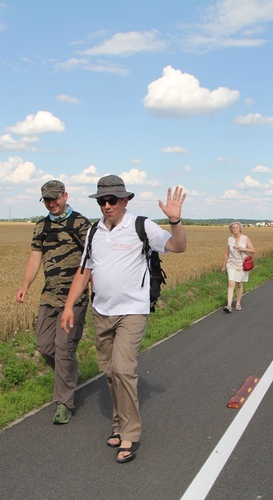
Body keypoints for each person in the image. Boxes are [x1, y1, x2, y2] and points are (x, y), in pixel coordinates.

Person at [60, 175, 187, 464]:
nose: (107, 205)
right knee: (109, 372)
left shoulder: (141, 225)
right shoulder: (94, 232)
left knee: (123, 369)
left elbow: (178, 247)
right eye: (102, 201)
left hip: (132, 311)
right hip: (101, 311)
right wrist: (69, 307)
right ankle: (118, 422)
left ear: (125, 200)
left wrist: (176, 222)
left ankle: (129, 433)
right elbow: (84, 271)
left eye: (112, 200)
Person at [16, 180, 91, 425]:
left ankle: (64, 403)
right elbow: (35, 258)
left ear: (65, 196)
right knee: (45, 346)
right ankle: (69, 375)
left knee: (64, 349)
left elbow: (93, 258)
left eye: (55, 198)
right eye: (47, 200)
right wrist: (25, 286)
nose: (51, 203)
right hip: (49, 296)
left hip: (75, 298)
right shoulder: (42, 226)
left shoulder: (80, 224)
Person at [221, 221, 255, 313]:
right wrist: (224, 266)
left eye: (236, 227)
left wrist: (243, 249)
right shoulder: (230, 240)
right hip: (231, 264)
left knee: (239, 284)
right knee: (231, 283)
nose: (234, 229)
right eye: (233, 228)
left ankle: (238, 303)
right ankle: (228, 305)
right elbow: (226, 254)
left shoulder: (245, 238)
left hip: (242, 264)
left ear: (240, 229)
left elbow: (253, 250)